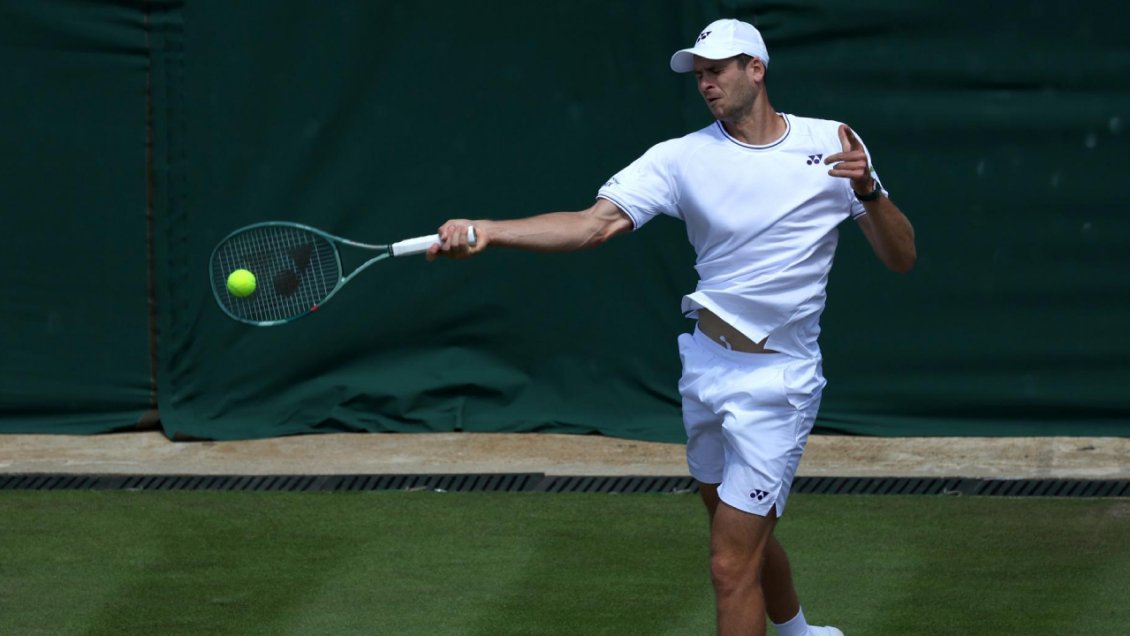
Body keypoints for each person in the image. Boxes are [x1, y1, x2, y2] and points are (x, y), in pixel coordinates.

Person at [427, 18, 915, 636]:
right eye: (700, 74)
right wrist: (493, 231)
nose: (706, 84)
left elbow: (901, 257)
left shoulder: (833, 146)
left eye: (717, 70)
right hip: (707, 369)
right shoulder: (679, 158)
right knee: (736, 531)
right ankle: (799, 633)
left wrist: (869, 190)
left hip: (779, 383)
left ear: (755, 70)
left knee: (728, 562)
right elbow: (591, 225)